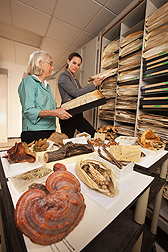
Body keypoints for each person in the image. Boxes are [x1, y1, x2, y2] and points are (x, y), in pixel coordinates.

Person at [18, 50, 72, 144]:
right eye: (50, 64)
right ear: (40, 63)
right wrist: (56, 112)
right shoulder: (28, 82)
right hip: (35, 133)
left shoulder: (47, 85)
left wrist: (61, 109)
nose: (52, 68)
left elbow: (48, 108)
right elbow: (29, 110)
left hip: (50, 131)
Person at [58, 52, 104, 138]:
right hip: (67, 115)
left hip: (77, 114)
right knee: (68, 143)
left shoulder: (75, 80)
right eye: (74, 63)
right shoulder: (63, 76)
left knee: (94, 135)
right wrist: (93, 85)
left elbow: (81, 95)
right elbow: (76, 93)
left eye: (78, 65)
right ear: (68, 61)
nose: (76, 67)